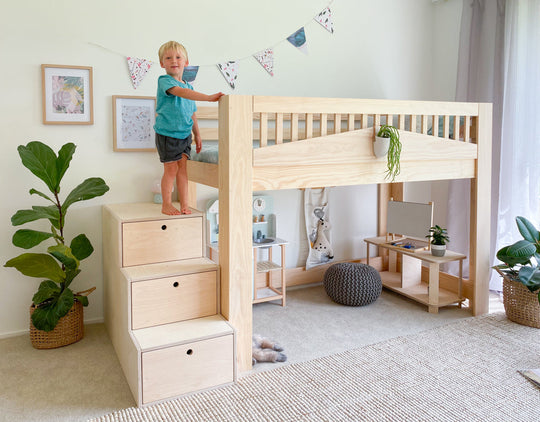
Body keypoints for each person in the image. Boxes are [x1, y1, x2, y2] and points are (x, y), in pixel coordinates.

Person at [154, 41, 224, 215]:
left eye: (178, 57)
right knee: (170, 170)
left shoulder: (189, 86)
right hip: (167, 134)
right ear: (162, 63)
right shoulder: (165, 81)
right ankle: (166, 204)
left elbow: (192, 113)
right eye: (168, 58)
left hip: (185, 135)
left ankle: (184, 204)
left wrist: (198, 135)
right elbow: (181, 93)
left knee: (183, 170)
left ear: (186, 62)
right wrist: (208, 97)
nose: (173, 60)